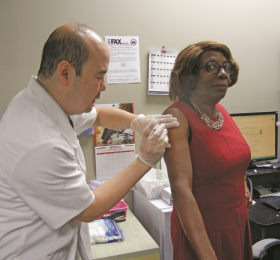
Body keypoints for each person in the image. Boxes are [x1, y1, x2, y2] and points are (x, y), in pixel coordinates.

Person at [0, 24, 179, 260]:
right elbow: (88, 208)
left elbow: (99, 115)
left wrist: (138, 122)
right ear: (65, 73)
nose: (104, 87)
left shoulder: (45, 101)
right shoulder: (39, 142)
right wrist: (144, 160)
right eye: (99, 76)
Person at [163, 41, 253, 260]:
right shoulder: (177, 117)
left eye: (227, 67)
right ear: (188, 75)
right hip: (203, 232)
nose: (223, 74)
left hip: (237, 222)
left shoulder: (220, 111)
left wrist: (242, 185)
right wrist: (206, 254)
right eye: (211, 67)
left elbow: (231, 156)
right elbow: (180, 189)